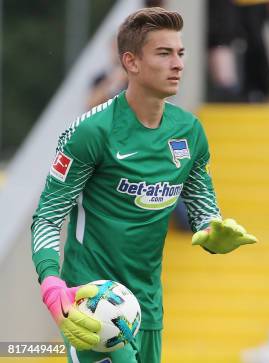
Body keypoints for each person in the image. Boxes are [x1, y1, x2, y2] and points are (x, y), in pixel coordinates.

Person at [31, 8, 257, 363]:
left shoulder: (190, 132)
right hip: (93, 307)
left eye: (180, 53)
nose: (178, 64)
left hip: (146, 310)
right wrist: (50, 283)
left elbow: (202, 208)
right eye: (164, 53)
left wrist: (212, 231)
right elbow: (47, 216)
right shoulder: (91, 132)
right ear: (131, 62)